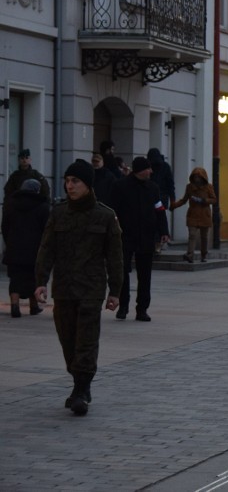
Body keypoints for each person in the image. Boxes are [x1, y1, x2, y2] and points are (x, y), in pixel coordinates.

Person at [35, 159, 123, 416]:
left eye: (75, 181)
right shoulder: (59, 213)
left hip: (91, 289)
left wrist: (115, 291)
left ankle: (80, 389)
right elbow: (46, 248)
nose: (69, 186)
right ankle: (79, 384)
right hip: (63, 288)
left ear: (88, 185)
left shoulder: (105, 216)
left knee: (86, 341)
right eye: (68, 180)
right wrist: (41, 281)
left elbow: (115, 257)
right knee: (68, 340)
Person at [110, 156, 170, 321]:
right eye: (148, 168)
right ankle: (123, 306)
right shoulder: (120, 186)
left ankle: (142, 309)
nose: (151, 171)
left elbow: (160, 210)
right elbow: (112, 211)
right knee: (122, 272)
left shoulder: (153, 188)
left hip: (146, 236)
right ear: (140, 170)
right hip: (125, 236)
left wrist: (163, 230)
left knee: (145, 275)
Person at [2, 179, 51, 317]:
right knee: (33, 278)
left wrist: (9, 242)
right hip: (34, 250)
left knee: (15, 278)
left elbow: (5, 226)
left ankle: (15, 307)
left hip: (14, 248)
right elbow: (46, 230)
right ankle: (33, 306)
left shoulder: (11, 204)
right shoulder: (42, 206)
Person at [170, 167, 217, 263]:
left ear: (203, 178)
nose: (197, 179)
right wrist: (174, 205)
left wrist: (203, 200)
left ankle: (203, 255)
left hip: (205, 215)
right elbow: (184, 200)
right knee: (192, 234)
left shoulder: (209, 187)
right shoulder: (190, 187)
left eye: (199, 177)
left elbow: (214, 199)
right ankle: (190, 255)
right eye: (195, 177)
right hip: (193, 214)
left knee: (204, 237)